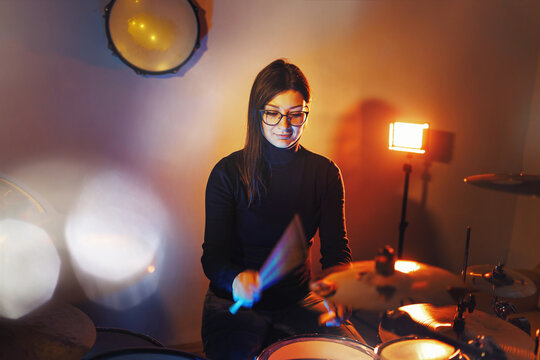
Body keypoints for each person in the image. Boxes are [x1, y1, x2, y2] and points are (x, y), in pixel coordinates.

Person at [201, 59, 363, 360]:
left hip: (300, 298)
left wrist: (339, 288)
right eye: (273, 114)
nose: (285, 126)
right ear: (257, 113)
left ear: (306, 112)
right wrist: (236, 279)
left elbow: (336, 249)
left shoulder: (325, 173)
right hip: (233, 302)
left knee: (357, 353)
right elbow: (213, 258)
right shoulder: (227, 173)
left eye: (296, 115)